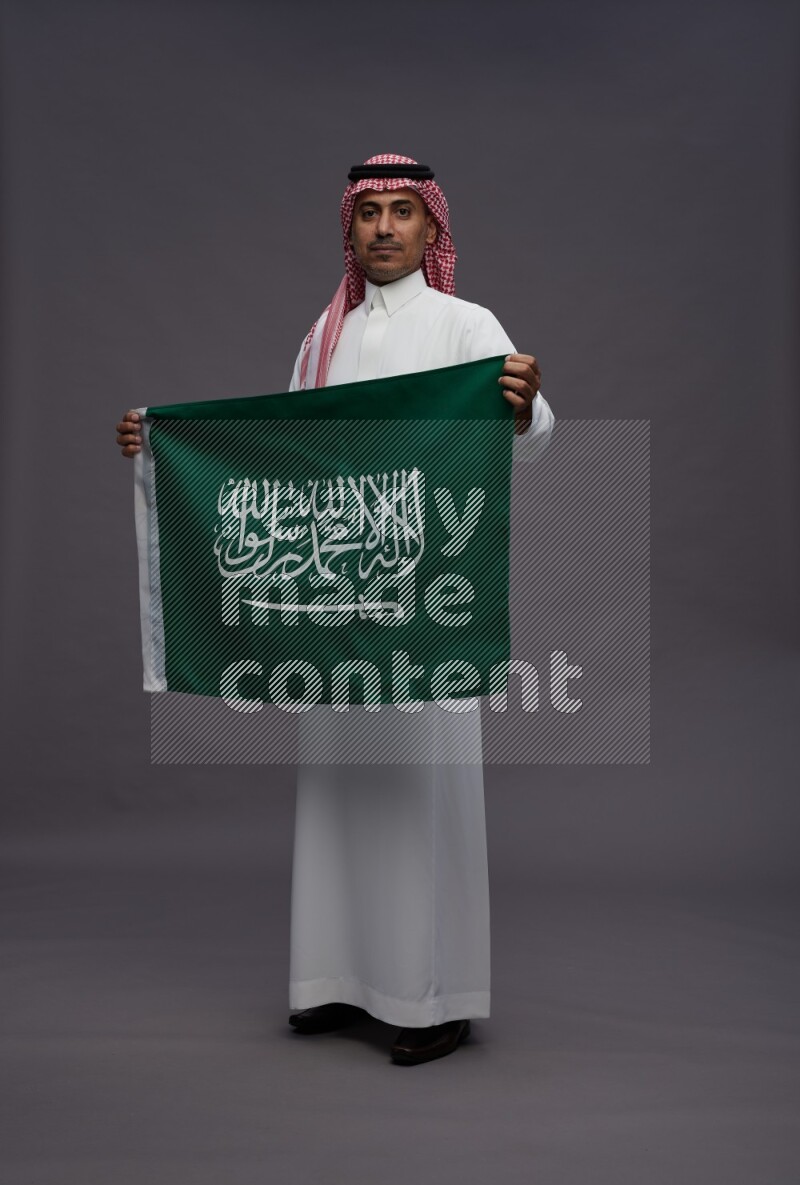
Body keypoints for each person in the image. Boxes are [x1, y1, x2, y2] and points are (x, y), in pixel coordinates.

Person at [116, 153, 554, 1065]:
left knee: (421, 792)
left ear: (432, 228)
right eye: (369, 213)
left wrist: (524, 409)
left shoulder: (467, 324)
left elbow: (527, 434)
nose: (385, 227)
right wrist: (163, 446)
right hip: (336, 603)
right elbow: (279, 463)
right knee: (338, 790)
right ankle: (333, 982)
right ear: (349, 228)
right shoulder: (324, 336)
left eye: (403, 212)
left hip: (422, 606)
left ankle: (432, 997)